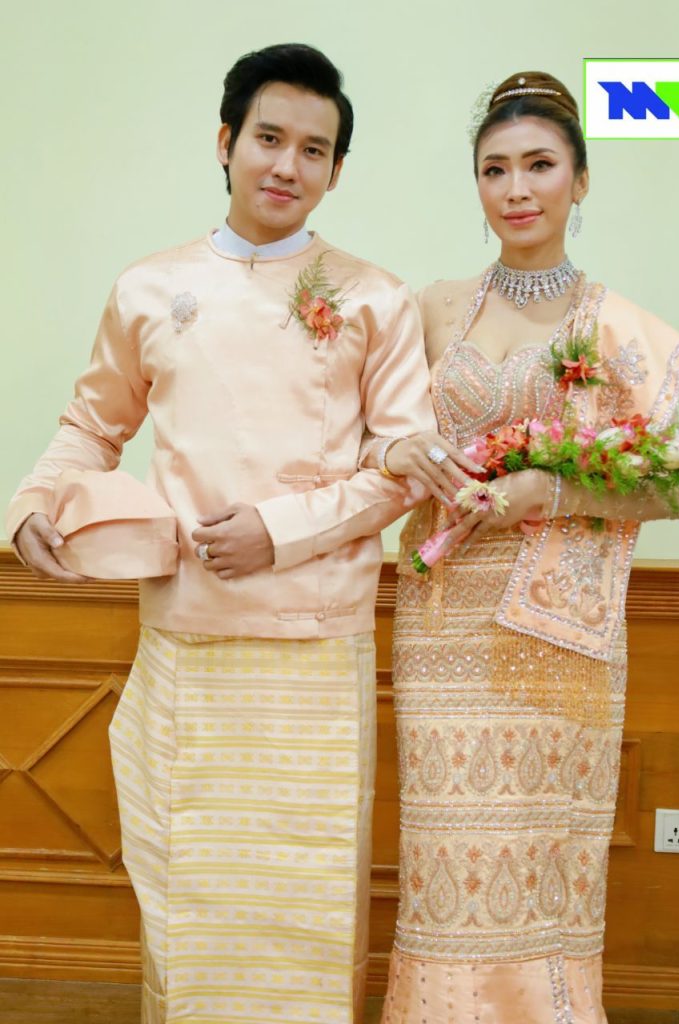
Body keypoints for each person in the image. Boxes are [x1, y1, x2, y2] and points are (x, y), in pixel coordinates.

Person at [5, 43, 437, 1024]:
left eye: (314, 150)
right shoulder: (149, 288)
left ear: (336, 171)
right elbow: (91, 425)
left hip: (315, 639)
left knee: (308, 894)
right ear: (226, 142)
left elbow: (404, 465)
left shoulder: (373, 297)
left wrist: (277, 532)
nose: (288, 166)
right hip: (187, 633)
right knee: (187, 885)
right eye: (269, 139)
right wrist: (32, 502)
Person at [365, 72, 679, 1023]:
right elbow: (367, 436)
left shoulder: (618, 327)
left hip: (566, 631)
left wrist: (544, 491)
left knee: (550, 851)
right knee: (448, 843)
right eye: (495, 169)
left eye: (540, 165)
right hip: (444, 617)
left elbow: (672, 487)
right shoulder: (435, 309)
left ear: (579, 181)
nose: (516, 189)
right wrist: (399, 453)